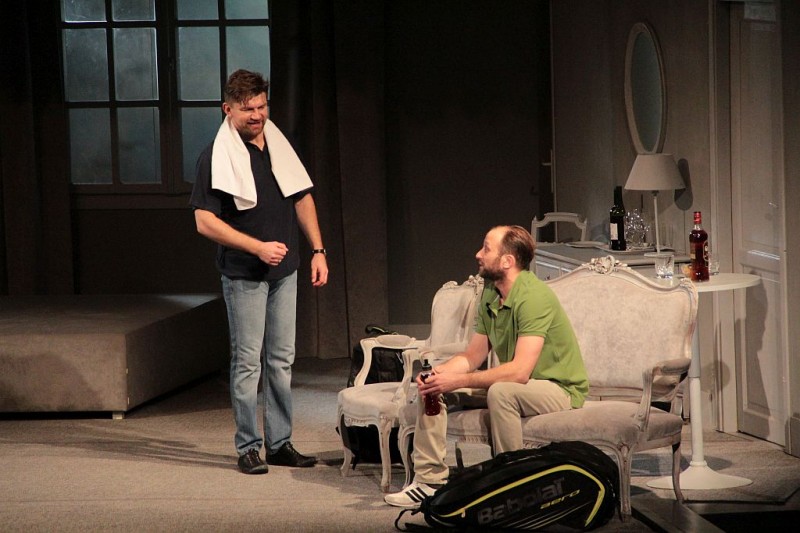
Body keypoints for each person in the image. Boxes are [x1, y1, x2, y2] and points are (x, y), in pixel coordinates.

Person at [384, 225, 588, 508]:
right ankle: (429, 482)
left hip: (558, 388)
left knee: (502, 392)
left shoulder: (534, 297)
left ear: (507, 261)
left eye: (486, 248)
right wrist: (441, 374)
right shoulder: (491, 293)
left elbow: (519, 372)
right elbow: (473, 356)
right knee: (434, 386)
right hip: (520, 385)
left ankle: (513, 485)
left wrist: (458, 380)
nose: (478, 254)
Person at [190, 69, 328, 475]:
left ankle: (280, 443)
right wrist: (257, 247)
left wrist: (318, 250)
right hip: (244, 274)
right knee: (248, 362)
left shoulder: (279, 145)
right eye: (247, 109)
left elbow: (301, 197)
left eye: (262, 106)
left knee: (282, 360)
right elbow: (204, 222)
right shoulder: (215, 156)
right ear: (228, 109)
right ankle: (249, 446)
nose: (257, 115)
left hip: (285, 271)